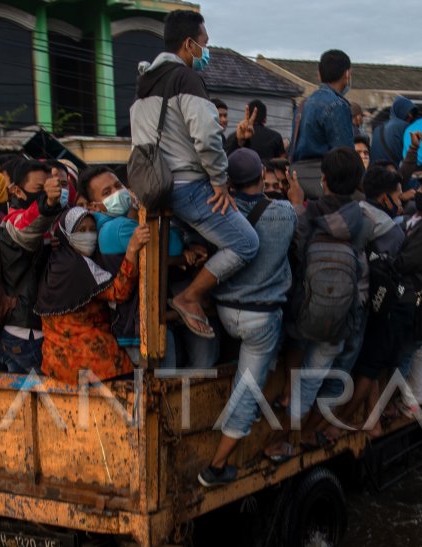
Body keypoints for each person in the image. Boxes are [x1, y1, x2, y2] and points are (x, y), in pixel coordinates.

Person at [131, 9, 259, 339]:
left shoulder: (145, 82)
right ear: (189, 44)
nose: (206, 52)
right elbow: (206, 133)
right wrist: (219, 180)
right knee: (246, 243)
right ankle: (190, 297)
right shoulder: (185, 78)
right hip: (188, 183)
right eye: (204, 44)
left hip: (156, 184)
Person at [199, 148, 296, 486]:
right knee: (246, 391)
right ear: (261, 177)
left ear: (230, 182)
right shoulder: (285, 211)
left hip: (225, 313)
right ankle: (216, 467)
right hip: (261, 319)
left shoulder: (219, 211)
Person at [265, 146, 368, 462]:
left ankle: (277, 426)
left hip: (302, 311)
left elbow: (296, 250)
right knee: (312, 381)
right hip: (340, 315)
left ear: (323, 180)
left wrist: (297, 206)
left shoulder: (309, 214)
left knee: (291, 356)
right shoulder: (362, 220)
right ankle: (295, 435)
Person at [346, 172, 422, 437]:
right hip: (395, 296)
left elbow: (405, 263)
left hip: (409, 300)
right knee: (384, 361)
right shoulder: (411, 218)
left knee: (393, 361)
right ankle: (376, 418)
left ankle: (375, 416)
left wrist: (380, 258)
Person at [34, 207, 149, 384]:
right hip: (95, 364)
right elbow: (119, 292)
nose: (89, 235)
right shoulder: (78, 266)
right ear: (67, 233)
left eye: (92, 230)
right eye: (81, 230)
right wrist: (132, 249)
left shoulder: (55, 261)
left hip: (57, 367)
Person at [0, 167, 66, 372]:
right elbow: (27, 226)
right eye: (40, 188)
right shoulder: (14, 223)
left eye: (52, 186)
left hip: (15, 329)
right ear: (17, 191)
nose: (49, 191)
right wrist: (47, 203)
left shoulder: (49, 226)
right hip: (26, 333)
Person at [290, 50, 354, 168]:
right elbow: (345, 156)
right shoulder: (337, 105)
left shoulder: (303, 104)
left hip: (299, 178)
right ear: (347, 74)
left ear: (319, 75)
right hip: (325, 178)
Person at [369, 96, 415, 165]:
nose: (411, 116)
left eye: (412, 113)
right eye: (408, 113)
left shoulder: (378, 128)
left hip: (375, 170)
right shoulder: (404, 126)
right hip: (392, 170)